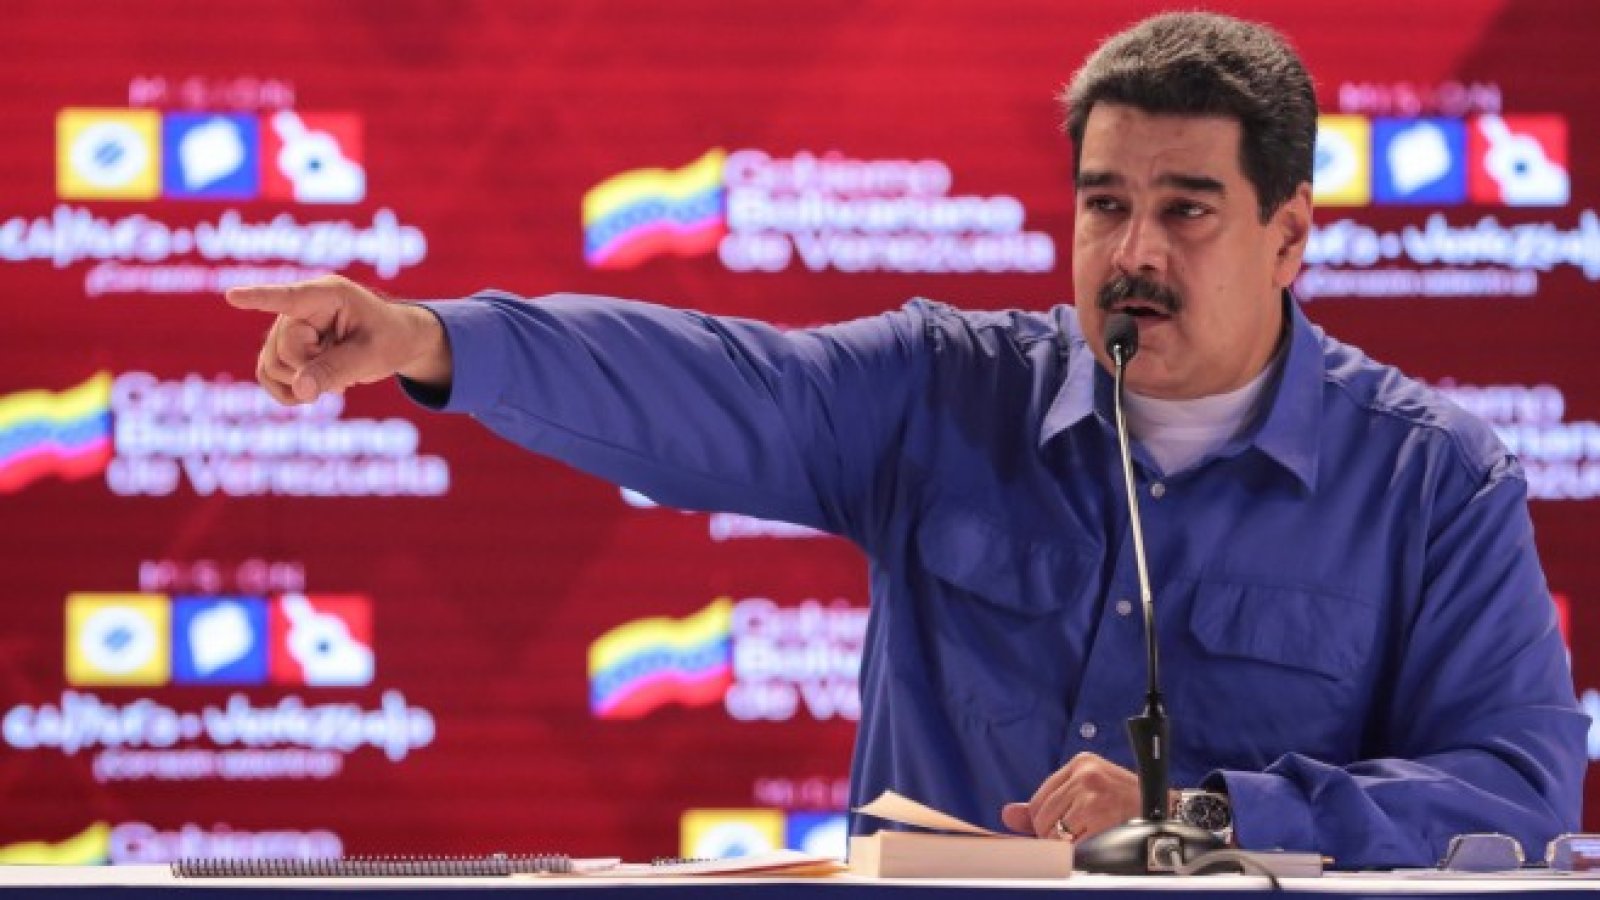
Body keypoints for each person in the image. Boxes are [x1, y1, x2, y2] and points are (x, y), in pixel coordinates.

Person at [227, 11, 1586, 869]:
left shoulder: (1431, 479)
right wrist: (429, 338)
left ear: (1289, 236)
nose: (1133, 251)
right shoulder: (945, 390)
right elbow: (715, 385)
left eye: (1187, 210)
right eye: (1102, 204)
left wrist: (1211, 813)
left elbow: (1518, 787)